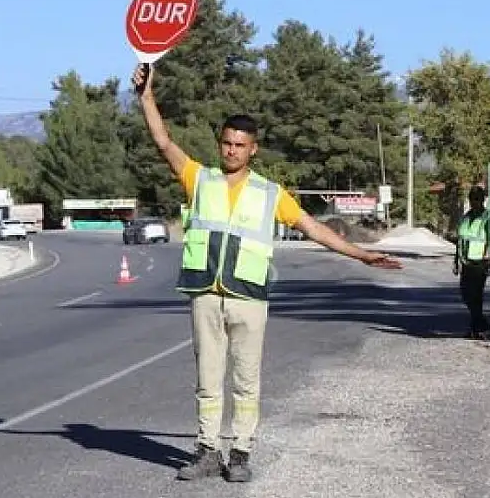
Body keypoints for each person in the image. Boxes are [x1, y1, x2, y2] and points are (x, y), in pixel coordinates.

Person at [131, 63, 402, 483]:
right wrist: (146, 96)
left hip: (248, 299)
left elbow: (314, 228)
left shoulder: (270, 194)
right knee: (207, 380)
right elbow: (163, 141)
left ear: (253, 149)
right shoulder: (199, 180)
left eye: (240, 145)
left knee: (246, 380)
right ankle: (207, 450)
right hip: (206, 294)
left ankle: (238, 453)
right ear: (220, 144)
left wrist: (361, 255)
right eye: (226, 143)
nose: (231, 151)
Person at [453, 185, 490, 339]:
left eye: (477, 199)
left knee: (476, 295)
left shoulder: (487, 217)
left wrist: (488, 256)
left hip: (480, 261)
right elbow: (460, 240)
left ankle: (476, 329)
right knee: (465, 294)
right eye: (472, 199)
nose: (474, 202)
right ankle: (480, 323)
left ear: (482, 200)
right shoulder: (465, 217)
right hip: (466, 261)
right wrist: (456, 260)